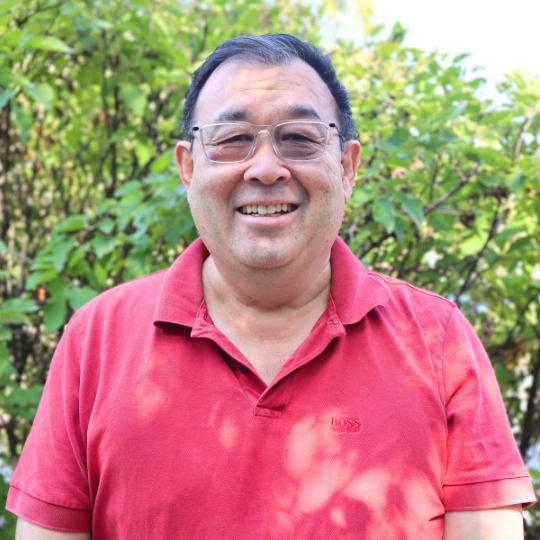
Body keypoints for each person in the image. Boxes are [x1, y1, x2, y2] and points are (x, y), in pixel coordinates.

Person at [7, 34, 536, 540]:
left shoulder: (438, 342)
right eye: (233, 140)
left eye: (299, 139)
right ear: (188, 168)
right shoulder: (96, 340)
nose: (264, 168)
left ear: (347, 166)